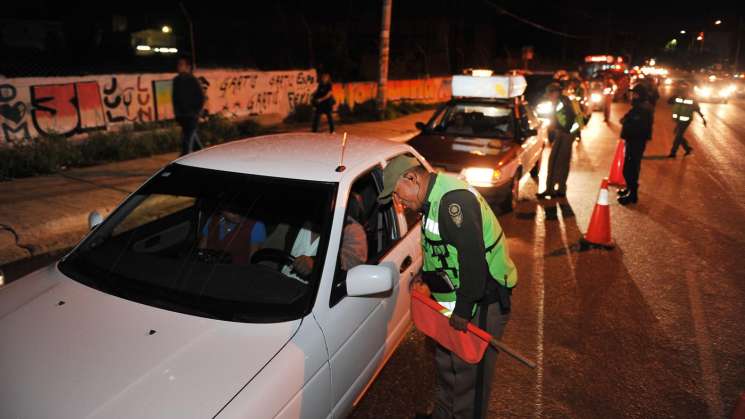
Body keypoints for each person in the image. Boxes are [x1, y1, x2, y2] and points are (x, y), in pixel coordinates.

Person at [377, 155, 517, 419]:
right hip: (451, 302)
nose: (399, 202)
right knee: (446, 365)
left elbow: (472, 260)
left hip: (482, 300)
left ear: (412, 178)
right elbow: (440, 249)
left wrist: (464, 309)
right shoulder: (429, 200)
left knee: (470, 376)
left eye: (397, 193)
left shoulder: (455, 201)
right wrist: (425, 277)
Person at [536, 83, 578, 199]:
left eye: (550, 94)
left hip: (564, 134)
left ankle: (553, 190)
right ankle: (557, 189)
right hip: (566, 134)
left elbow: (563, 120)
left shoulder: (561, 103)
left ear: (555, 93)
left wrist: (557, 131)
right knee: (559, 162)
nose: (549, 97)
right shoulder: (564, 101)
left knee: (557, 162)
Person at [617, 85, 654, 205]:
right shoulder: (638, 106)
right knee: (630, 167)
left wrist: (626, 122)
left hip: (636, 141)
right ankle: (629, 189)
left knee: (631, 168)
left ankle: (632, 195)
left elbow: (638, 126)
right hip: (633, 140)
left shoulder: (642, 108)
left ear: (640, 95)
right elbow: (628, 118)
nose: (633, 95)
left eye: (635, 94)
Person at [199, 207, 267, 264]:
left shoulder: (256, 225)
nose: (237, 214)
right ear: (222, 210)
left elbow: (253, 260)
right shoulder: (212, 220)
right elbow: (202, 248)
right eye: (232, 211)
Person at [172, 55, 206, 156]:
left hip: (191, 116)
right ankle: (203, 156)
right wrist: (177, 114)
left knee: (186, 143)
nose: (179, 67)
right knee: (193, 141)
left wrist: (196, 113)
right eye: (178, 64)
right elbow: (175, 99)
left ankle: (182, 163)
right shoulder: (176, 80)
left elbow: (201, 98)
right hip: (182, 116)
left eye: (181, 65)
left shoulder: (193, 80)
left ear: (188, 67)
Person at [667, 82, 706, 158]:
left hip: (686, 120)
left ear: (688, 90)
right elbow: (669, 102)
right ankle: (688, 149)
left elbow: (697, 109)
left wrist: (703, 118)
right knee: (678, 134)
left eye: (684, 89)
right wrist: (674, 96)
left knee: (678, 135)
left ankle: (673, 152)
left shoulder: (692, 99)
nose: (683, 90)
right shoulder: (677, 97)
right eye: (681, 89)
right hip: (678, 119)